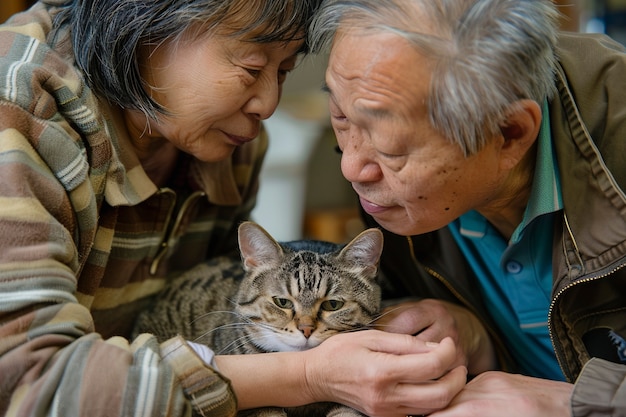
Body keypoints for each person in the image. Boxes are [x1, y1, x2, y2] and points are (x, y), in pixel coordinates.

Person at [0, 1, 470, 416]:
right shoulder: (18, 115)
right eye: (251, 67)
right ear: (147, 22)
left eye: (284, 70)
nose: (268, 104)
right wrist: (307, 376)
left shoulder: (228, 143)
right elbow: (32, 387)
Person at [308, 0, 626, 416]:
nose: (351, 166)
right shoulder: (399, 174)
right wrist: (481, 339)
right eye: (340, 116)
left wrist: (573, 403)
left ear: (510, 134)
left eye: (390, 146)